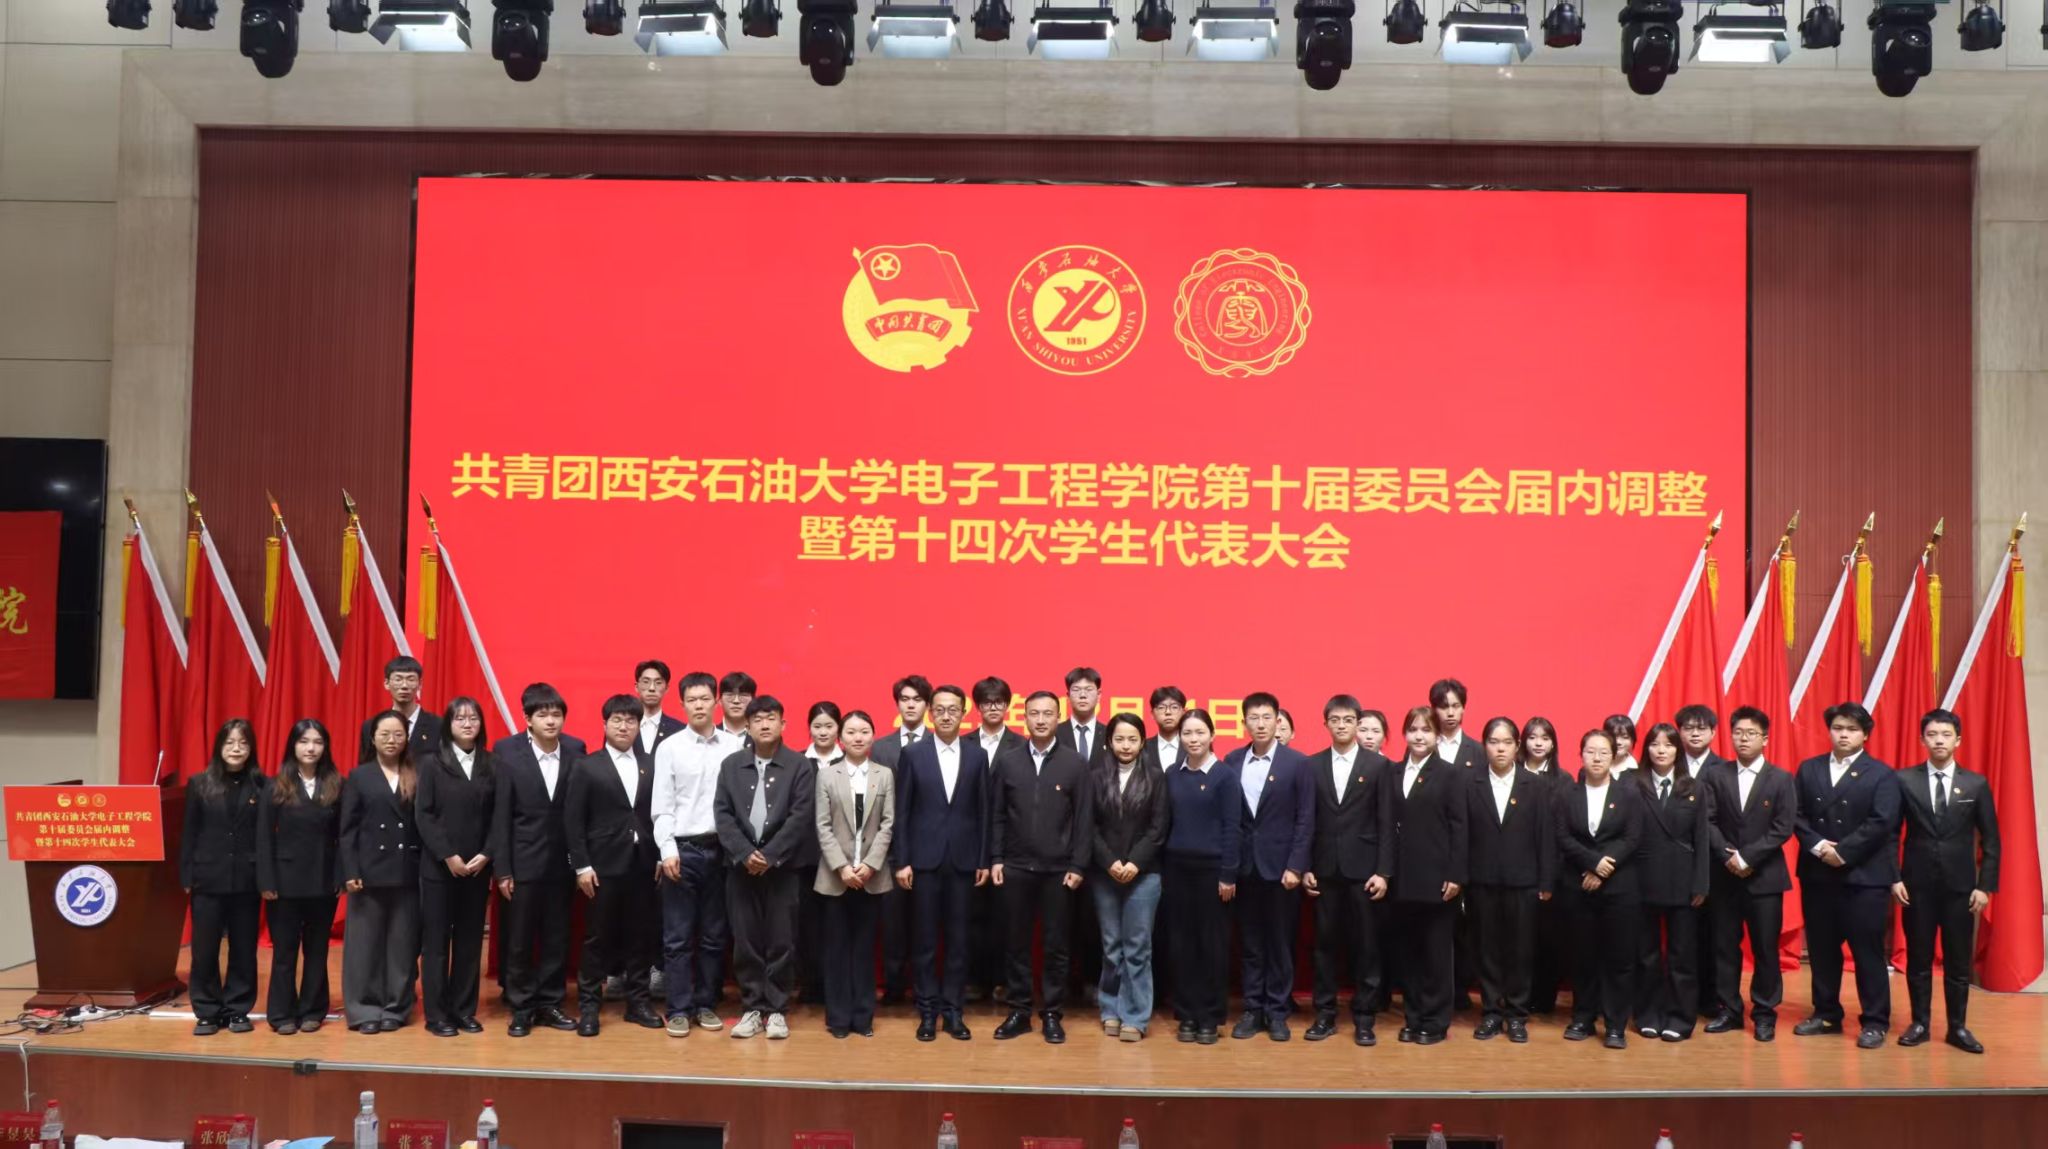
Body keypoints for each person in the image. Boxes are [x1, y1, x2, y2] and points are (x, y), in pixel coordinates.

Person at [1793, 701, 1902, 1049]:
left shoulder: (1882, 774)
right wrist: (1818, 846)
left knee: (1867, 952)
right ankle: (1826, 1014)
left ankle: (1875, 1021)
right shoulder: (1809, 768)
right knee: (1822, 951)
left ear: (1865, 735)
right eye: (1838, 728)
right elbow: (1795, 814)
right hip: (1818, 874)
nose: (1843, 734)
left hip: (1864, 878)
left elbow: (1882, 822)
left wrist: (1843, 852)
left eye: (1852, 729)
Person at [1894, 708, 2001, 1054]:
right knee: (1918, 959)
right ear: (1922, 740)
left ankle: (1958, 1027)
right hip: (1916, 887)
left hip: (1961, 889)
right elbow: (1890, 834)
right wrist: (1894, 878)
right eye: (1932, 734)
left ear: (1958, 740)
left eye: (1946, 735)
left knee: (1957, 962)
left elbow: (1991, 839)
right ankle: (1920, 1023)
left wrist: (1984, 886)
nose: (1939, 741)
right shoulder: (1904, 780)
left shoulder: (1975, 784)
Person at [990, 690, 1094, 1043]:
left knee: (1056, 946)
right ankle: (1019, 1011)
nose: (1040, 720)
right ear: (1024, 717)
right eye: (1034, 713)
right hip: (1016, 867)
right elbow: (997, 815)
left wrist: (1078, 864)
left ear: (1058, 717)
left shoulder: (1075, 763)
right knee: (1015, 943)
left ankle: (1052, 1013)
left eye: (1047, 713)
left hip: (1059, 871)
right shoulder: (1008, 761)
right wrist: (996, 858)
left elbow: (1084, 819)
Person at [714, 696, 817, 1040]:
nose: (764, 724)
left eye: (771, 718)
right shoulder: (731, 765)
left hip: (783, 870)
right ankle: (752, 1008)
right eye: (757, 719)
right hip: (740, 869)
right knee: (746, 941)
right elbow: (722, 814)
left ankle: (777, 1010)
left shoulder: (799, 765)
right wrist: (745, 853)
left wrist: (770, 855)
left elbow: (801, 816)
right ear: (747, 726)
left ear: (783, 724)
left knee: (781, 940)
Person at [489, 683, 589, 1037]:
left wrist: (581, 862)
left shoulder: (576, 749)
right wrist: (503, 869)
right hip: (522, 862)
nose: (551, 721)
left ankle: (550, 1002)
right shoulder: (507, 751)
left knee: (556, 936)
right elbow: (501, 814)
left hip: (562, 862)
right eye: (543, 715)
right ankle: (521, 1006)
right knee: (519, 939)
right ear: (527, 719)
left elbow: (579, 812)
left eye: (556, 714)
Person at [895, 683, 993, 1041]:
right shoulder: (913, 754)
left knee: (958, 942)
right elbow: (902, 812)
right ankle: (927, 1012)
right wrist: (902, 860)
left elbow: (984, 811)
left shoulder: (977, 755)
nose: (946, 715)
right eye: (939, 709)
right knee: (923, 942)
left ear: (964, 712)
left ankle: (953, 1012)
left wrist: (984, 858)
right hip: (923, 861)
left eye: (953, 709)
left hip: (964, 862)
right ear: (930, 712)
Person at [566, 695, 663, 1036]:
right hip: (601, 867)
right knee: (597, 939)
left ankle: (638, 1003)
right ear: (604, 724)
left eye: (631, 721)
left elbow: (660, 814)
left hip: (643, 864)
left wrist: (660, 855)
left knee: (641, 937)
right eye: (617, 720)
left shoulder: (651, 763)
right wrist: (581, 866)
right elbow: (573, 820)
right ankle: (589, 1008)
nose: (624, 727)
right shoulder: (586, 765)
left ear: (639, 726)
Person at [651, 671, 740, 1037]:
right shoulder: (670, 748)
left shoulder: (734, 747)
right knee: (677, 937)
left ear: (716, 702)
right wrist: (667, 850)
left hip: (722, 852)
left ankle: (705, 1004)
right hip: (682, 851)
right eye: (692, 700)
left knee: (714, 936)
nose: (699, 705)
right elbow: (662, 806)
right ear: (682, 704)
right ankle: (678, 1008)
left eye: (705, 699)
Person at [1223, 691, 1314, 1042]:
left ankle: (1277, 1012)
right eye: (1253, 718)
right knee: (1249, 944)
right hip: (1245, 869)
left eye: (1266, 718)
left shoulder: (1297, 763)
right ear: (1243, 723)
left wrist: (1296, 866)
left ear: (1278, 721)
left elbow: (1305, 819)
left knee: (1279, 943)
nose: (1260, 724)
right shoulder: (1232, 761)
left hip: (1281, 870)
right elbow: (1230, 819)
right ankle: (1252, 1009)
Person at [1702, 706, 1796, 1042]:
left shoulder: (1781, 778)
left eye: (1751, 733)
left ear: (1765, 739)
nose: (1744, 739)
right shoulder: (1716, 775)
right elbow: (1707, 820)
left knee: (1765, 949)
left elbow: (1783, 827)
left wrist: (1747, 857)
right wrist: (1728, 855)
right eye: (1739, 732)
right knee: (1724, 947)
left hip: (1765, 878)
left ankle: (1765, 1013)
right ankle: (1729, 1010)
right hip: (1724, 876)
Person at [1303, 694, 1392, 1046]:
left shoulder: (1378, 766)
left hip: (1364, 871)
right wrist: (1306, 866)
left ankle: (1365, 1017)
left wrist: (1384, 872)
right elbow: (1306, 821)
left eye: (1348, 720)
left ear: (1358, 724)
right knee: (1324, 945)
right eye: (1335, 720)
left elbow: (1386, 822)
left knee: (1366, 946)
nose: (1341, 725)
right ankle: (1324, 1014)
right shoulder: (1312, 765)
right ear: (1325, 724)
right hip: (1324, 870)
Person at [1463, 716, 1553, 1044]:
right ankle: (1490, 1011)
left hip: (1524, 882)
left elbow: (1545, 836)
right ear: (1484, 746)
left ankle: (1516, 1014)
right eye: (1493, 742)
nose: (1500, 749)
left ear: (1517, 746)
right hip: (1481, 880)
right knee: (1486, 948)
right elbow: (1463, 835)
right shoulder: (1470, 782)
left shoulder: (1536, 785)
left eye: (1506, 742)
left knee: (1520, 950)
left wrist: (1546, 882)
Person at [416, 697, 498, 1038]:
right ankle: (437, 1015)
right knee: (436, 943)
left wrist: (488, 853)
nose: (467, 724)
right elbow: (424, 813)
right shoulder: (431, 763)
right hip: (440, 867)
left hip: (477, 868)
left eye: (473, 718)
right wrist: (448, 855)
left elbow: (499, 814)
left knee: (469, 942)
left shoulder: (492, 763)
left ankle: (464, 1010)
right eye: (460, 718)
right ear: (448, 725)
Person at [340, 710, 424, 1033]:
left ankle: (396, 1007)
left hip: (407, 871)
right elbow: (347, 829)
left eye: (398, 735)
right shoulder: (359, 776)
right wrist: (350, 870)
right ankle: (364, 1010)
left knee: (402, 946)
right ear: (372, 739)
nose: (392, 741)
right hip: (368, 873)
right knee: (365, 945)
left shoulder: (416, 773)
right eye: (384, 734)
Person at [259, 718, 343, 1035]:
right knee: (285, 951)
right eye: (304, 741)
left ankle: (312, 1010)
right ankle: (281, 1013)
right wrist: (266, 881)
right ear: (293, 746)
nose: (311, 748)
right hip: (284, 884)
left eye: (317, 742)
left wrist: (340, 875)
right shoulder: (276, 785)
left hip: (323, 881)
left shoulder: (336, 784)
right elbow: (263, 837)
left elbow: (343, 836)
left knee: (317, 950)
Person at [182, 718, 267, 1036]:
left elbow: (265, 836)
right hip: (207, 878)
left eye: (243, 743)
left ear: (251, 748)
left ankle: (237, 1009)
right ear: (219, 746)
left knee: (243, 949)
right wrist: (187, 874)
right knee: (204, 950)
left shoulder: (262, 785)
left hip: (247, 879)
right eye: (230, 742)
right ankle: (206, 1011)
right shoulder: (199, 784)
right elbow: (189, 832)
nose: (236, 748)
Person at [1558, 728, 1641, 1049]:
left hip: (1619, 888)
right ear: (1580, 754)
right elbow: (1562, 836)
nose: (1596, 758)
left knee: (1619, 958)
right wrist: (1592, 863)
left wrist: (1605, 867)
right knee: (1583, 956)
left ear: (1613, 755)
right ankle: (1583, 1017)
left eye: (1603, 752)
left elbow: (1632, 837)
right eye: (1590, 751)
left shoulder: (1629, 793)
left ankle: (1616, 1024)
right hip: (1578, 885)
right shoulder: (1567, 794)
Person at [814, 709, 896, 1038]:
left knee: (864, 951)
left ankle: (863, 1018)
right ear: (840, 738)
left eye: (864, 731)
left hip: (871, 877)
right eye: (851, 732)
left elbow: (888, 824)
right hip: (836, 877)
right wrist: (842, 867)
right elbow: (822, 826)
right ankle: (838, 1018)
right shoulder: (827, 775)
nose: (857, 737)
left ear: (873, 736)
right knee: (836, 950)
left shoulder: (884, 775)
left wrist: (870, 864)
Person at [1162, 709, 1241, 1045]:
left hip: (1213, 873)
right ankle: (1187, 1015)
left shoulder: (1224, 776)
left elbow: (1232, 828)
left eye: (1199, 733)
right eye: (1187, 733)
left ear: (1212, 735)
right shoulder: (1172, 774)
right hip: (1176, 870)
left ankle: (1210, 1017)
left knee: (1212, 946)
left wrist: (1228, 874)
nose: (1193, 739)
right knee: (1182, 945)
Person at [1089, 713, 1170, 1042]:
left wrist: (1135, 862)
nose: (1126, 745)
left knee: (1137, 947)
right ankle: (1110, 1008)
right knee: (1111, 946)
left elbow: (1158, 828)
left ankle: (1135, 1016)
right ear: (1109, 742)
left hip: (1144, 875)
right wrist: (1110, 862)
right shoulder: (1095, 777)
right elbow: (1089, 827)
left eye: (1132, 739)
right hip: (1104, 873)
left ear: (1142, 742)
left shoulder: (1156, 778)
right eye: (1119, 739)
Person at [1388, 706, 1466, 1045]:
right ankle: (1414, 1016)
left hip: (1438, 879)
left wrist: (1456, 874)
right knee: (1409, 953)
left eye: (1426, 730)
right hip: (1402, 879)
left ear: (1437, 736)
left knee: (1436, 954)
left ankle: (1435, 1022)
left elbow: (1460, 828)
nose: (1419, 736)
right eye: (1413, 729)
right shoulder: (1393, 772)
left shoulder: (1450, 774)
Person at [1631, 723, 1711, 1042]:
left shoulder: (1693, 787)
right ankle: (1648, 1014)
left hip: (1683, 879)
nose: (1661, 750)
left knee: (1682, 956)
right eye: (1655, 744)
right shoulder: (1632, 784)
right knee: (1646, 954)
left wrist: (1701, 884)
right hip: (1642, 879)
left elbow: (1702, 838)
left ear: (1678, 750)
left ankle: (1680, 1017)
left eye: (1668, 744)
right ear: (1646, 749)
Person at [870, 675, 932, 1007]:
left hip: (928, 848)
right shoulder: (880, 747)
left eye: (917, 699)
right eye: (905, 699)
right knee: (892, 924)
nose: (910, 705)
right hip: (889, 848)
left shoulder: (940, 744)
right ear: (897, 704)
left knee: (926, 924)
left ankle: (924, 988)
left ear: (928, 705)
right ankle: (894, 986)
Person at [968, 676, 1023, 1004]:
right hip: (970, 842)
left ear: (1007, 705)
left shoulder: (1021, 745)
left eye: (998, 702)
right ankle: (975, 981)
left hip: (1009, 843)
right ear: (977, 707)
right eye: (986, 702)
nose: (993, 707)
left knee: (1007, 918)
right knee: (972, 917)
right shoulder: (963, 743)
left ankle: (1004, 981)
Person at [1675, 704, 1726, 1019]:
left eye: (1701, 728)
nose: (1695, 733)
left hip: (1713, 864)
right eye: (1688, 728)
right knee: (1681, 936)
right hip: (1675, 864)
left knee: (1712, 934)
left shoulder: (1723, 769)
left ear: (1713, 732)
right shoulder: (1669, 762)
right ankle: (1681, 997)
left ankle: (1710, 998)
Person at [1520, 715, 1571, 1016]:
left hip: (1552, 871)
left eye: (1545, 738)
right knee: (1518, 938)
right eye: (1532, 737)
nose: (1538, 743)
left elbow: (1565, 831)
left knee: (1548, 938)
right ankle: (1519, 995)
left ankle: (1544, 996)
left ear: (1553, 744)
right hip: (1516, 868)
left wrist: (1550, 874)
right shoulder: (1511, 774)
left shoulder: (1563, 780)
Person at [796, 701, 845, 1007]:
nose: (823, 732)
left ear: (838, 728)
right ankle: (810, 985)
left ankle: (835, 984)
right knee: (807, 924)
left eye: (829, 726)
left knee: (837, 924)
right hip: (805, 857)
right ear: (809, 729)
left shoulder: (850, 761)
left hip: (842, 859)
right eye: (817, 726)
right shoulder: (798, 762)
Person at [357, 655, 439, 765]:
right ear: (386, 683)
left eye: (410, 679)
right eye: (398, 679)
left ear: (420, 684)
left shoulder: (438, 726)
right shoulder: (371, 726)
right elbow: (365, 769)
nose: (404, 686)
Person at [634, 659, 685, 769]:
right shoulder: (622, 727)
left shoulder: (680, 730)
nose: (652, 688)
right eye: (646, 682)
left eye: (658, 683)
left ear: (666, 688)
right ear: (636, 687)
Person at [1057, 667, 1111, 766]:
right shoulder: (1055, 734)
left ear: (1099, 695)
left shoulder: (1110, 734)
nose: (1082, 695)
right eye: (1076, 690)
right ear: (1068, 696)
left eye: (1088, 689)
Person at [1429, 679, 1482, 770]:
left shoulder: (1478, 751)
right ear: (1434, 709)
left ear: (1463, 709)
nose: (1450, 713)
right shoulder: (1422, 747)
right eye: (1444, 707)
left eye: (1456, 706)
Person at [1145, 685, 1187, 770]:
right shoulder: (1143, 748)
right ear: (1152, 714)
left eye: (1174, 707)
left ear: (1183, 712)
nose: (1168, 712)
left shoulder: (1191, 746)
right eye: (1161, 707)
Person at [718, 671, 757, 739]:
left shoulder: (761, 737)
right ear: (720, 700)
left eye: (743, 695)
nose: (736, 701)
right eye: (730, 695)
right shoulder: (708, 736)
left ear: (753, 701)